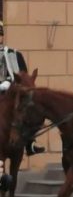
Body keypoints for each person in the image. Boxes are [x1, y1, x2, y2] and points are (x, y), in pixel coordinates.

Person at [0, 20, 44, 155]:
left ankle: (30, 142)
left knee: (29, 110)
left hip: (14, 93)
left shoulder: (15, 54)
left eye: (0, 34)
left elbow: (24, 74)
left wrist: (13, 83)